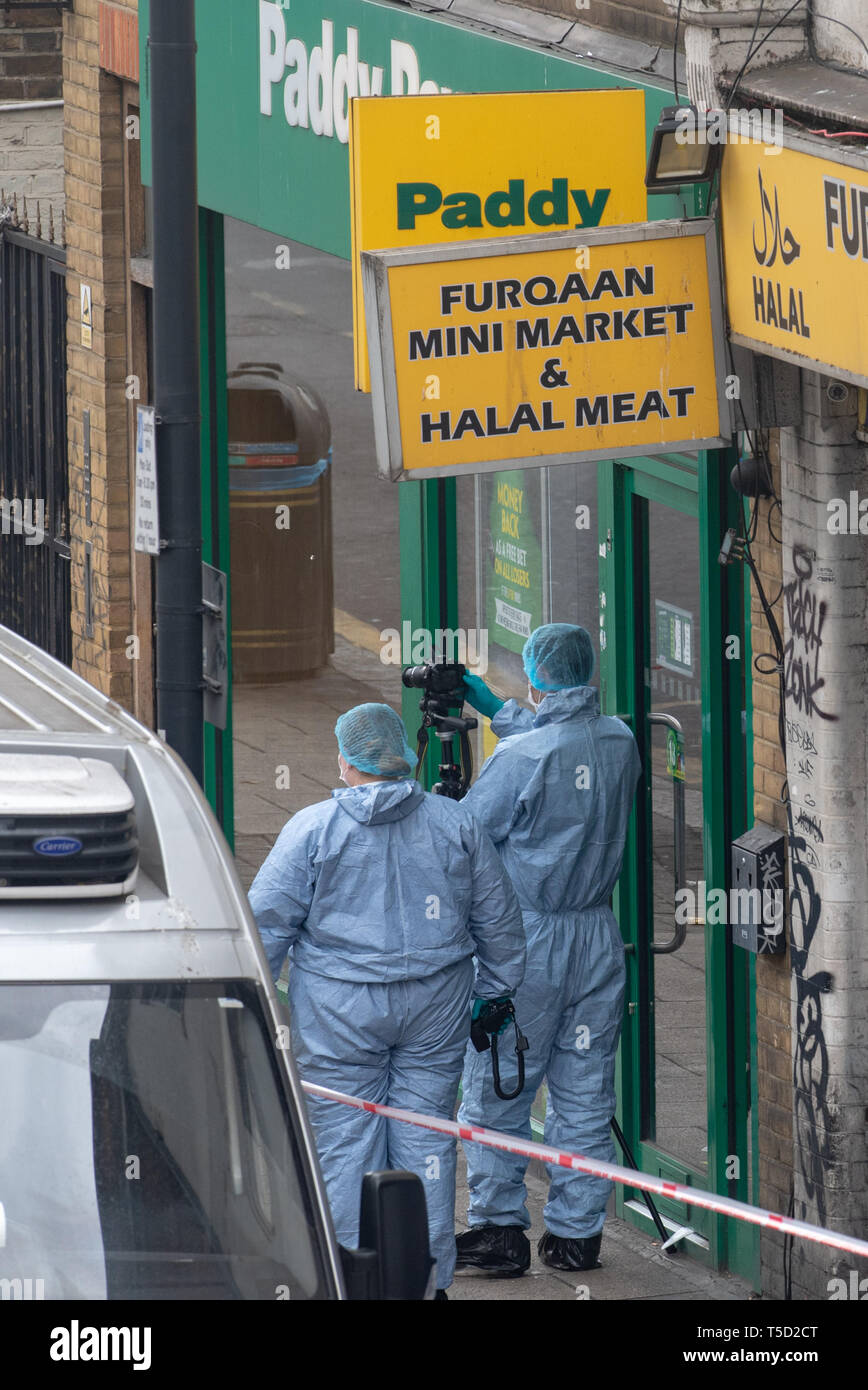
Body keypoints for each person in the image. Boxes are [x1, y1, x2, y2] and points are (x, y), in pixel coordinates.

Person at [248, 702, 525, 1296]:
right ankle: (425, 1284)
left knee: (344, 1140)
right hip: (436, 1006)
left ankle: (351, 1278)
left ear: (346, 761)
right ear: (401, 754)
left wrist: (262, 1010)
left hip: (339, 1011)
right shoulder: (455, 824)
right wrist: (496, 993)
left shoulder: (312, 829)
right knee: (426, 1138)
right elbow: (498, 921)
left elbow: (264, 928)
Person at [454, 624, 641, 1277]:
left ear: (535, 676)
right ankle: (576, 1236)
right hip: (595, 939)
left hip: (526, 945)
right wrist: (497, 709)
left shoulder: (523, 757)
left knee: (499, 1088)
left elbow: (467, 836)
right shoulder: (621, 740)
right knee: (585, 1090)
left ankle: (500, 1229)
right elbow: (559, 750)